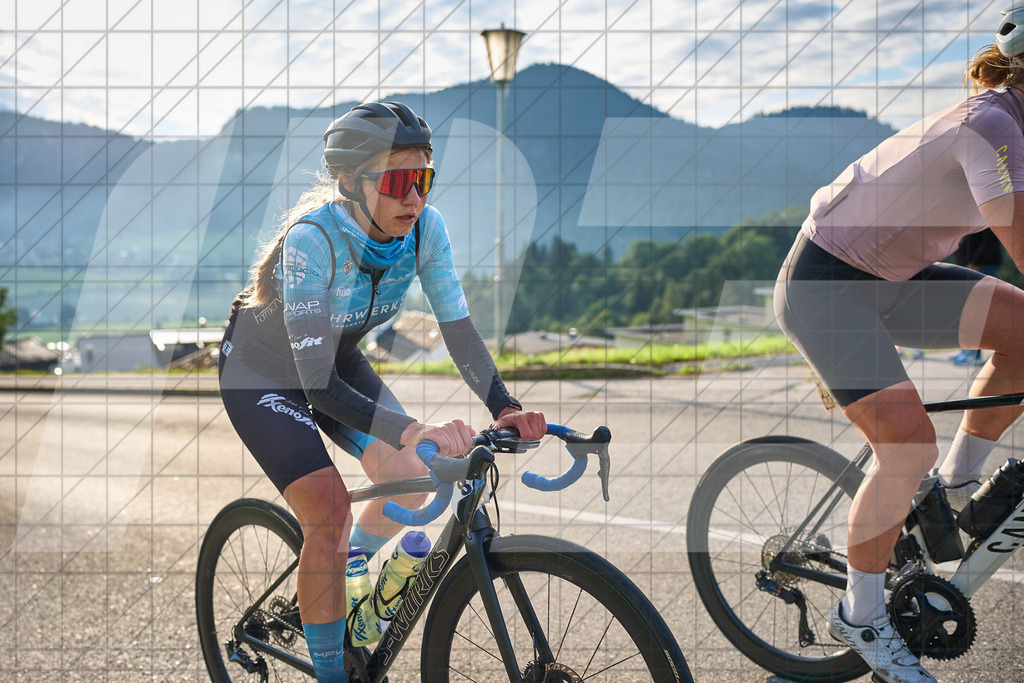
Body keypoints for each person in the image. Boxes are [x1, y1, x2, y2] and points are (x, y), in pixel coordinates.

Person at [217, 101, 546, 682]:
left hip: (336, 365)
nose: (413, 198)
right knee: (330, 512)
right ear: (349, 181)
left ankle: (347, 576)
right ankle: (331, 672)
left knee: (402, 473)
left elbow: (459, 331)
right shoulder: (312, 240)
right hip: (264, 375)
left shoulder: (425, 231)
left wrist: (505, 405)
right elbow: (314, 384)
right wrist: (413, 428)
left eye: (422, 179)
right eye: (397, 181)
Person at [773, 6, 1024, 682]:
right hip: (825, 282)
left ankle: (957, 486)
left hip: (890, 278)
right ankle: (861, 614)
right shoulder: (994, 122)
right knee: (907, 443)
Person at [950, 228, 1004, 365]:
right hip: (972, 267)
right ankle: (968, 352)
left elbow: (990, 241)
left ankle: (972, 354)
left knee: (975, 312)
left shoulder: (982, 218)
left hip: (981, 267)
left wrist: (975, 263)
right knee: (970, 311)